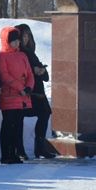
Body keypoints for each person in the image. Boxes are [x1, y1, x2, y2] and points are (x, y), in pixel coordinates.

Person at [0, 26, 35, 164]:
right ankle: (6, 154)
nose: (17, 43)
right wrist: (21, 88)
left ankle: (15, 153)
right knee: (8, 125)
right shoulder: (1, 56)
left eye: (17, 40)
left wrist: (29, 87)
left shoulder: (22, 55)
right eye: (13, 41)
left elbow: (30, 73)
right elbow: (5, 75)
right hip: (10, 95)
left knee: (18, 125)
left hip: (22, 96)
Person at [17, 23, 56, 159]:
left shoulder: (31, 53)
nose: (26, 38)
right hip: (25, 92)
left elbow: (45, 77)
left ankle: (40, 148)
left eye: (28, 35)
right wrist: (33, 71)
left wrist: (41, 71)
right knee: (18, 119)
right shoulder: (18, 53)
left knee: (44, 114)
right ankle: (19, 150)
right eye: (23, 35)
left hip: (38, 92)